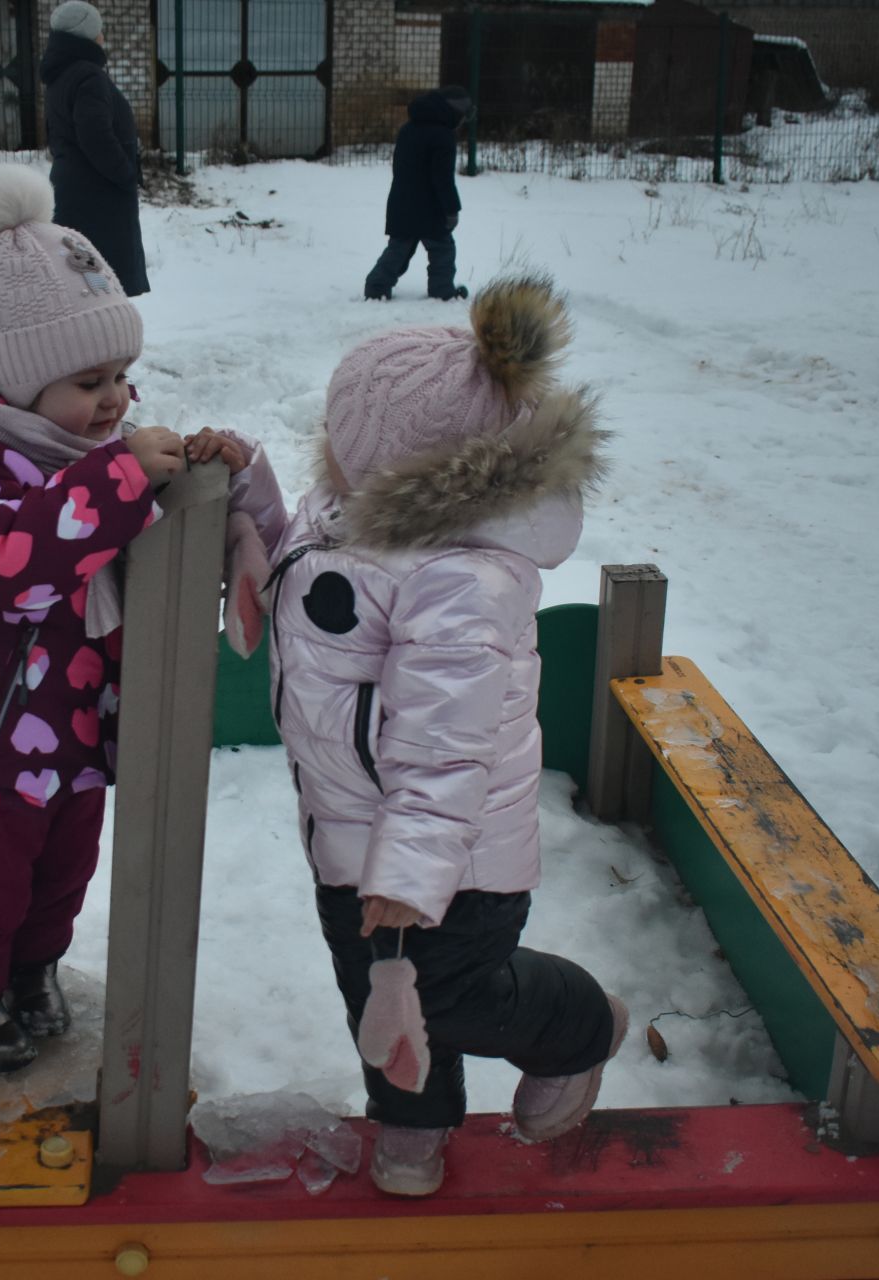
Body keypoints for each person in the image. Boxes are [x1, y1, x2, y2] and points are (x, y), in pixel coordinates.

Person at [266, 273, 624, 1195]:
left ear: (408, 478)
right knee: (375, 995)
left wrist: (411, 875)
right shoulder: (344, 518)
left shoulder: (463, 581)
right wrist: (243, 490)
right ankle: (415, 1126)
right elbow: (293, 570)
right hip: (348, 841)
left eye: (343, 448)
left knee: (455, 995)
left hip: (455, 864)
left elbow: (446, 743)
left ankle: (581, 1028)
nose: (326, 460)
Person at [0, 163, 263, 1073]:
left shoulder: (79, 446)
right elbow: (17, 560)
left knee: (62, 871)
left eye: (123, 377)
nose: (114, 402)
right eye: (88, 381)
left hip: (71, 722)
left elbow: (119, 513)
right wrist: (128, 476)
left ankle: (30, 970)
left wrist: (200, 470)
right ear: (16, 382)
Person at [40, 1, 148, 296]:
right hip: (99, 200)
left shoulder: (61, 75)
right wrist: (125, 173)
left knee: (83, 282)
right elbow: (95, 135)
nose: (103, 36)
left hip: (76, 192)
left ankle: (90, 337)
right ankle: (106, 339)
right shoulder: (88, 76)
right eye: (99, 30)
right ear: (86, 34)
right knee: (102, 281)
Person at [364, 85, 472, 302]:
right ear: (455, 114)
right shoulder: (443, 137)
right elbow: (443, 179)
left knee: (400, 248)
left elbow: (401, 169)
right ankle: (442, 291)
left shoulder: (408, 129)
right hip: (430, 208)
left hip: (402, 202)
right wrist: (452, 209)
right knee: (443, 249)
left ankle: (376, 286)